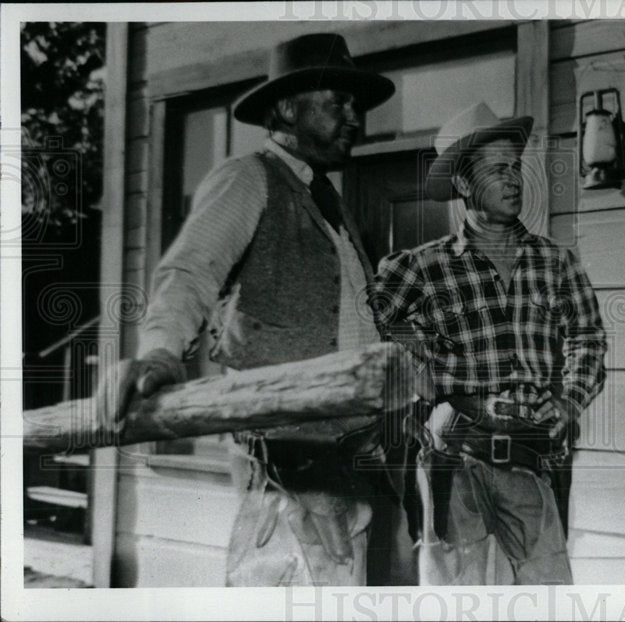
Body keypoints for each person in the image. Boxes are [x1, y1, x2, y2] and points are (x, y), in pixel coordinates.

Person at [95, 33, 400, 586]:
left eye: (355, 105)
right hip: (286, 467)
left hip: (346, 464)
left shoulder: (333, 209)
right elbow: (189, 273)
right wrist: (161, 352)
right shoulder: (248, 178)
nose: (355, 118)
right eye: (338, 103)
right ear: (287, 107)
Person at [369, 102, 608, 585]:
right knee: (457, 596)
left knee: (549, 589)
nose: (514, 180)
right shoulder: (420, 267)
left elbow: (588, 338)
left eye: (515, 168)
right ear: (463, 184)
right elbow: (372, 327)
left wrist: (568, 402)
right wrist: (424, 371)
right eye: (497, 170)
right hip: (453, 455)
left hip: (529, 456)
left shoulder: (555, 262)